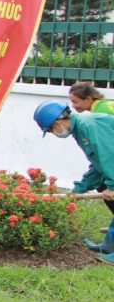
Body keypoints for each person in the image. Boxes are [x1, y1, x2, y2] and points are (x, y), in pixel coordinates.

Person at [33, 100, 114, 260]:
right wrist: (79, 189)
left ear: (57, 121)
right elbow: (98, 165)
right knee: (101, 185)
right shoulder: (80, 130)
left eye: (50, 130)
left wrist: (113, 186)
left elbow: (109, 156)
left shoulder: (88, 126)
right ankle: (109, 246)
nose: (53, 133)